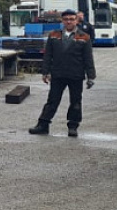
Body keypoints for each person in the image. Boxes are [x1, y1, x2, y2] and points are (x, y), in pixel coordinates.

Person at [29, 9, 95, 137]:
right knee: (52, 101)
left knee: (75, 101)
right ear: (62, 21)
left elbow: (88, 59)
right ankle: (43, 125)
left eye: (71, 19)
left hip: (76, 75)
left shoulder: (84, 37)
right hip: (58, 74)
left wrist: (91, 76)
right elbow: (48, 55)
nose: (69, 21)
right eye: (66, 19)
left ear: (76, 20)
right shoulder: (54, 35)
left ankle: (73, 126)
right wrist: (45, 72)